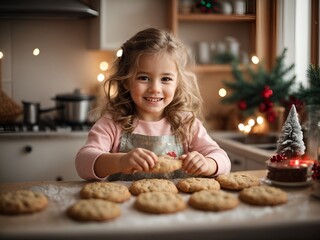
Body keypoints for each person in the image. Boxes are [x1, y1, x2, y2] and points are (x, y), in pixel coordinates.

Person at [75, 27, 231, 181]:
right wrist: (120, 161)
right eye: (143, 78)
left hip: (177, 205)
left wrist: (208, 164)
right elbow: (83, 162)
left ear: (177, 83)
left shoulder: (187, 124)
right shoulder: (112, 123)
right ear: (126, 81)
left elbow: (223, 160)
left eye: (166, 79)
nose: (155, 88)